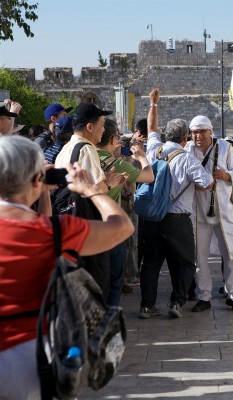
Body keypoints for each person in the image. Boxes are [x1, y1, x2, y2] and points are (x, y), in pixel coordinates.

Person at [0, 135, 133, 400]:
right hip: (33, 360)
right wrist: (93, 189)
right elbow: (122, 227)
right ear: (36, 179)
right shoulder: (57, 232)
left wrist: (43, 194)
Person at [139, 88, 213, 320]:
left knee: (150, 264)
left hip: (151, 218)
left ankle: (147, 306)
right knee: (184, 263)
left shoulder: (153, 150)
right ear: (186, 138)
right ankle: (177, 302)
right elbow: (208, 182)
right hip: (177, 220)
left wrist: (154, 104)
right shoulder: (187, 159)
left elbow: (151, 129)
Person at [54, 103, 128, 299]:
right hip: (87, 224)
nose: (104, 129)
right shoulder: (87, 148)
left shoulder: (65, 148)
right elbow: (96, 188)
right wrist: (110, 184)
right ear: (89, 127)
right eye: (102, 124)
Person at [185, 115, 233, 312]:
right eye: (194, 132)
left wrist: (227, 175)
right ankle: (204, 296)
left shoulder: (225, 148)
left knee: (231, 253)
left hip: (223, 211)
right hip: (198, 212)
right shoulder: (188, 150)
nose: (198, 136)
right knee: (199, 256)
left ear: (210, 131)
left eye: (202, 131)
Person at [96, 118, 154, 306]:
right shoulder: (117, 164)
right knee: (114, 281)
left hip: (89, 225)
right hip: (111, 227)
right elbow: (149, 176)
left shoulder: (85, 157)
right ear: (113, 140)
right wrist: (142, 157)